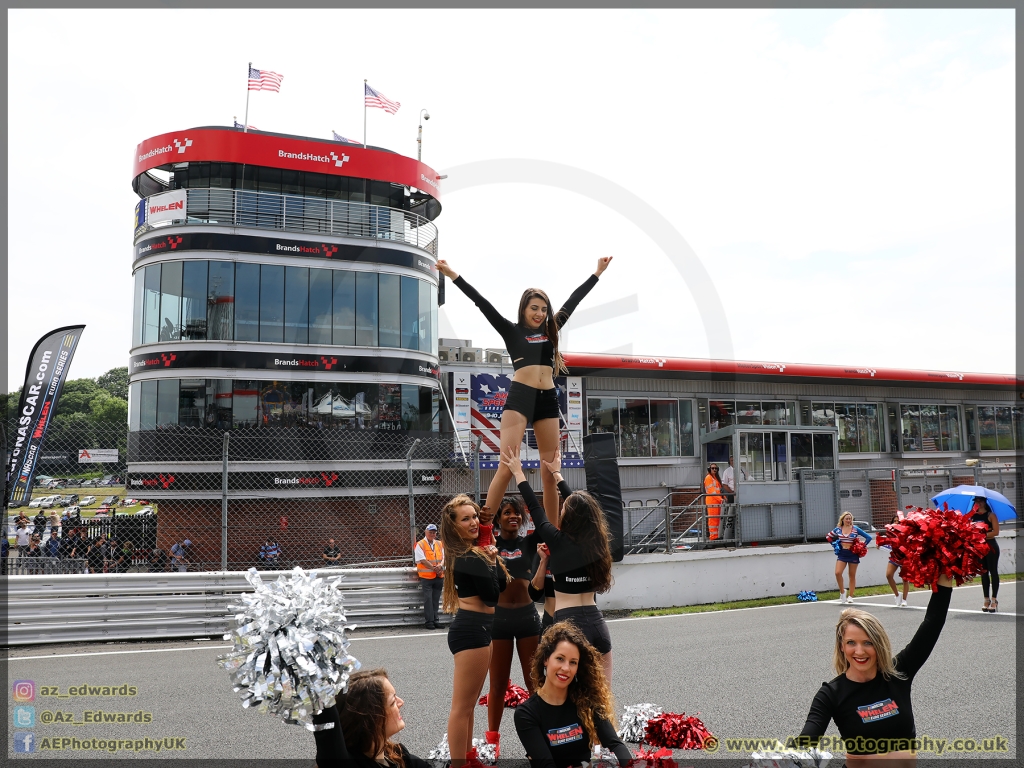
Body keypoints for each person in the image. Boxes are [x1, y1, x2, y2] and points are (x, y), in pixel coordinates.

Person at [436, 256, 612, 529]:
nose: (539, 313)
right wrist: (452, 274)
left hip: (547, 400)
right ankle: (484, 532)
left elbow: (573, 301)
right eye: (534, 308)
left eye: (543, 309)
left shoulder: (551, 329)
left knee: (552, 470)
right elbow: (482, 303)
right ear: (524, 309)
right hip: (520, 397)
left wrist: (597, 273)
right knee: (507, 464)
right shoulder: (511, 331)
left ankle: (552, 536)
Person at [797, 572, 955, 763]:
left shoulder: (898, 673)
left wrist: (947, 566)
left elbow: (934, 621)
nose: (859, 651)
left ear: (879, 644)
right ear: (841, 646)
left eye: (867, 643)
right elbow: (806, 739)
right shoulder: (830, 694)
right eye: (851, 643)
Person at [502, 447, 615, 683]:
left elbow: (534, 507)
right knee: (602, 702)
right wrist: (557, 475)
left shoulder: (557, 540)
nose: (561, 510)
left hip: (569, 626)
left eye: (564, 509)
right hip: (597, 624)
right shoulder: (596, 542)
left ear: (569, 516)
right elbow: (583, 510)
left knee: (569, 702)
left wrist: (519, 473)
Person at [440, 494, 510, 767]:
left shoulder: (473, 553)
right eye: (466, 519)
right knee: (461, 708)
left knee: (468, 706)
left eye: (474, 517)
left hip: (478, 630)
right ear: (454, 526)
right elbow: (492, 598)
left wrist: (491, 550)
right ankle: (460, 763)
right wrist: (491, 562)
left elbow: (502, 585)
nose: (473, 523)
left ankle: (468, 758)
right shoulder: (467, 557)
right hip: (472, 631)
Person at [514, 622, 631, 768]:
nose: (566, 668)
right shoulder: (526, 714)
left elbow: (615, 744)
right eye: (560, 658)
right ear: (546, 659)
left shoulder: (586, 700)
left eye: (573, 662)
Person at [486, 496, 544, 754]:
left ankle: (540, 739)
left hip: (527, 619)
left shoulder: (530, 543)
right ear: (498, 518)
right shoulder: (489, 543)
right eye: (507, 512)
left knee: (535, 684)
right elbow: (483, 514)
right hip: (498, 621)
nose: (513, 516)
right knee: (498, 685)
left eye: (517, 513)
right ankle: (492, 741)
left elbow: (544, 518)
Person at [311, 668, 433, 768]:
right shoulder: (349, 763)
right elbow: (327, 725)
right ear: (372, 718)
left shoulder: (397, 755)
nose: (401, 702)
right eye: (392, 702)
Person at [826, 512, 873, 603]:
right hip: (842, 554)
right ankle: (842, 592)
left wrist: (862, 546)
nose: (848, 520)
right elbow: (828, 537)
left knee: (852, 575)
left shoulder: (855, 529)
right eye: (847, 519)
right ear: (842, 519)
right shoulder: (838, 529)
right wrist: (834, 544)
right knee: (838, 573)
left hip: (852, 554)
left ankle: (850, 596)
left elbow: (868, 538)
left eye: (850, 519)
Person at [970, 498, 1001, 612]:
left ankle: (994, 600)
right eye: (976, 501)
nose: (978, 503)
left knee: (993, 572)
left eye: (980, 501)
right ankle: (986, 599)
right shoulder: (972, 516)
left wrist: (981, 535)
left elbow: (996, 532)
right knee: (983, 573)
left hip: (991, 546)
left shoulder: (991, 515)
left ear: (984, 502)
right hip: (979, 547)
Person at [414, 524, 444, 630]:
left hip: (439, 576)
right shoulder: (420, 544)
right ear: (426, 532)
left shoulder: (440, 544)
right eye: (430, 532)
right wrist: (434, 568)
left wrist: (440, 566)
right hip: (426, 577)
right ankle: (429, 621)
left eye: (434, 532)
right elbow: (421, 559)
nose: (432, 534)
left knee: (435, 600)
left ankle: (436, 620)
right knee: (428, 600)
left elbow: (444, 557)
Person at [877, 512, 909, 607]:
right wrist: (880, 545)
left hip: (905, 558)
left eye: (898, 521)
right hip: (894, 557)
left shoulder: (906, 531)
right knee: (888, 575)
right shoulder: (890, 532)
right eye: (894, 521)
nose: (896, 522)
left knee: (905, 580)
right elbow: (887, 543)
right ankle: (897, 595)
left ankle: (904, 600)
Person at [703, 463, 724, 540]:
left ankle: (717, 536)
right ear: (709, 469)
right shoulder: (709, 478)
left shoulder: (715, 478)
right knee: (713, 520)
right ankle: (713, 537)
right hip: (712, 501)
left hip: (717, 502)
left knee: (717, 519)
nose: (714, 469)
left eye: (716, 468)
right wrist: (721, 499)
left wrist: (723, 497)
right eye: (713, 468)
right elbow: (712, 491)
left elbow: (719, 490)